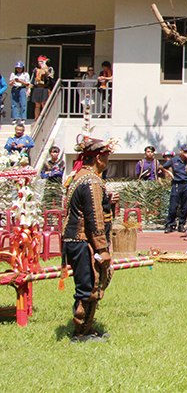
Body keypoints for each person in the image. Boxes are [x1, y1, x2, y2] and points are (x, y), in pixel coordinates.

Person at [62, 135, 116, 342]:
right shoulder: (92, 181)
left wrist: (109, 202)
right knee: (89, 286)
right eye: (106, 157)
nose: (107, 161)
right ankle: (81, 333)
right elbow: (93, 217)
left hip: (76, 240)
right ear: (98, 158)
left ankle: (88, 328)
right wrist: (102, 249)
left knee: (88, 284)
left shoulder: (79, 176)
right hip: (82, 240)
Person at [162, 144, 187, 233]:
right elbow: (163, 167)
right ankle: (169, 224)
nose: (186, 153)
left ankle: (181, 224)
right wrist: (170, 174)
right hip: (177, 184)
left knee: (185, 206)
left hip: (186, 184)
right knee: (173, 206)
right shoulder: (174, 160)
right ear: (181, 151)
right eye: (185, 151)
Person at [40, 145, 65, 210]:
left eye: (55, 152)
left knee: (58, 203)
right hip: (49, 185)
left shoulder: (61, 162)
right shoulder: (47, 163)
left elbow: (60, 172)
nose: (54, 154)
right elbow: (42, 174)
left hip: (57, 185)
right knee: (48, 202)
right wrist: (53, 172)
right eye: (52, 152)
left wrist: (49, 173)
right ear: (50, 153)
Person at [30, 55, 54, 120]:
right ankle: (36, 118)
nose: (39, 63)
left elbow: (51, 78)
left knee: (44, 103)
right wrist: (29, 89)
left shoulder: (49, 69)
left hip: (45, 88)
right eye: (39, 61)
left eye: (41, 61)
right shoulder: (36, 69)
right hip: (37, 87)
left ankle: (44, 118)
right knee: (37, 104)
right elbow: (32, 79)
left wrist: (45, 70)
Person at [9, 61, 29, 125]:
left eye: (20, 68)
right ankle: (14, 118)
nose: (18, 69)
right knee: (14, 104)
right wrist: (13, 81)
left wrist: (20, 81)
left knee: (22, 103)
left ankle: (22, 118)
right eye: (17, 68)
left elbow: (27, 83)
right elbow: (10, 83)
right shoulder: (13, 74)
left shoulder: (25, 74)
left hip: (22, 88)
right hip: (15, 88)